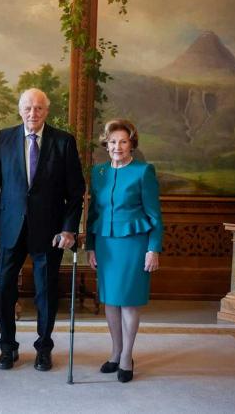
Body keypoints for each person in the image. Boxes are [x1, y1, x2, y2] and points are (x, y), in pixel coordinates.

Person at [0, 88, 85, 371]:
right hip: (9, 228)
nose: (33, 113)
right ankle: (7, 348)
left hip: (49, 231)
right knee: (4, 289)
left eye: (39, 108)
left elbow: (76, 192)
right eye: (28, 108)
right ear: (20, 110)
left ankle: (44, 348)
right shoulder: (4, 138)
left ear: (46, 111)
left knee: (45, 291)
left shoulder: (63, 142)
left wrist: (68, 229)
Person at [86, 119, 163, 383]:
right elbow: (93, 211)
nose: (117, 146)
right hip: (106, 245)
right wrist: (90, 246)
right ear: (106, 145)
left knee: (128, 301)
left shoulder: (144, 172)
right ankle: (115, 352)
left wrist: (153, 249)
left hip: (134, 245)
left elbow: (155, 215)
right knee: (110, 300)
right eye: (113, 141)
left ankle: (127, 356)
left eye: (123, 141)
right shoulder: (98, 172)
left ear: (132, 144)